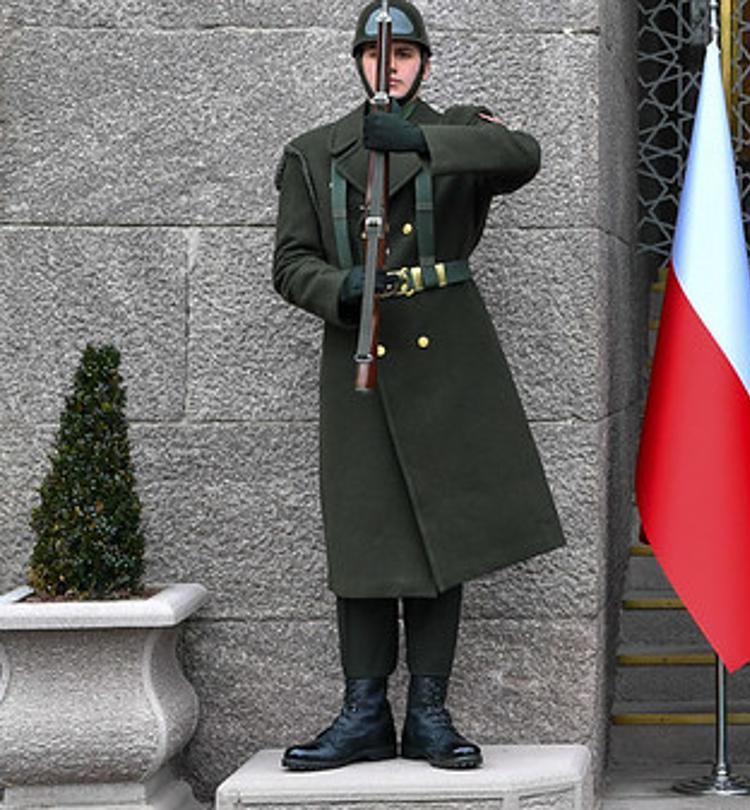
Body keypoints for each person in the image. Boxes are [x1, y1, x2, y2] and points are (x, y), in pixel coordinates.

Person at [270, 0, 564, 771]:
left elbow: (522, 155)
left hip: (445, 356)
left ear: (424, 63)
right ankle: (364, 712)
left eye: (402, 54)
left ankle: (429, 714)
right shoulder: (312, 153)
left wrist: (422, 142)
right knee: (365, 538)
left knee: (444, 534)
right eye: (376, 54)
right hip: (360, 354)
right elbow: (290, 262)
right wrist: (339, 288)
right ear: (358, 61)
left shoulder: (460, 130)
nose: (389, 65)